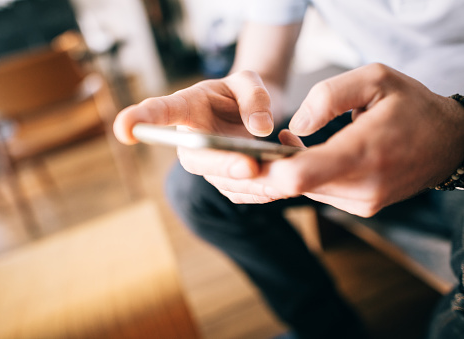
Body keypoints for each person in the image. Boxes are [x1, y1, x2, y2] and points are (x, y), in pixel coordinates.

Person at [114, 1, 464, 338]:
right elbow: (261, 69)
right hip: (373, 108)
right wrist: (243, 105)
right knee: (193, 190)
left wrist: (454, 134)